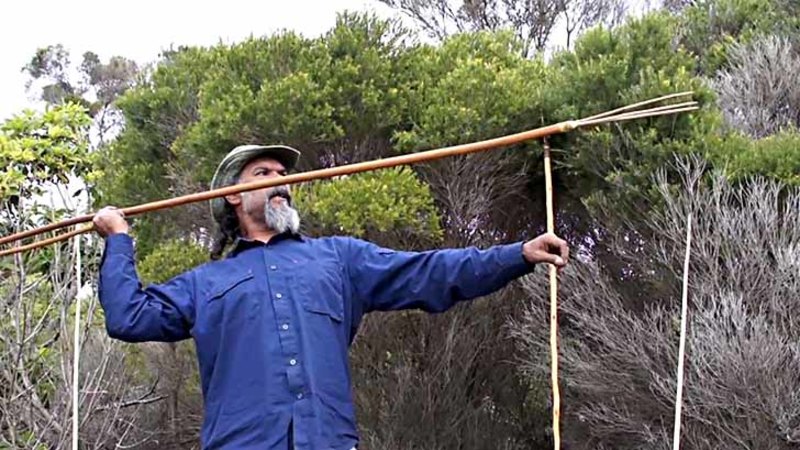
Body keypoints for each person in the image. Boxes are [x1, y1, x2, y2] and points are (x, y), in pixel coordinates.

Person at [94, 144, 570, 450]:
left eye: (284, 173)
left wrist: (517, 255)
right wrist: (118, 237)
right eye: (263, 172)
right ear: (233, 198)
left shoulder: (339, 259)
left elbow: (431, 272)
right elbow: (129, 317)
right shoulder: (204, 283)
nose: (281, 179)